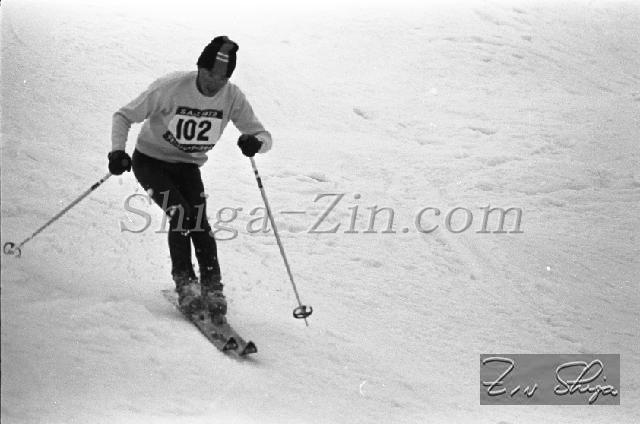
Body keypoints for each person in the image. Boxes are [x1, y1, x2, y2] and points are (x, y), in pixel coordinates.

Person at [108, 35, 272, 319]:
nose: (213, 82)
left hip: (187, 165)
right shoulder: (170, 87)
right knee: (182, 216)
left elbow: (263, 136)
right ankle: (185, 283)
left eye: (222, 78)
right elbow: (123, 116)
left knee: (199, 223)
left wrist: (255, 143)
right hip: (151, 161)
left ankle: (212, 286)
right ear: (199, 68)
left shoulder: (232, 96)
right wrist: (117, 151)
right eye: (209, 73)